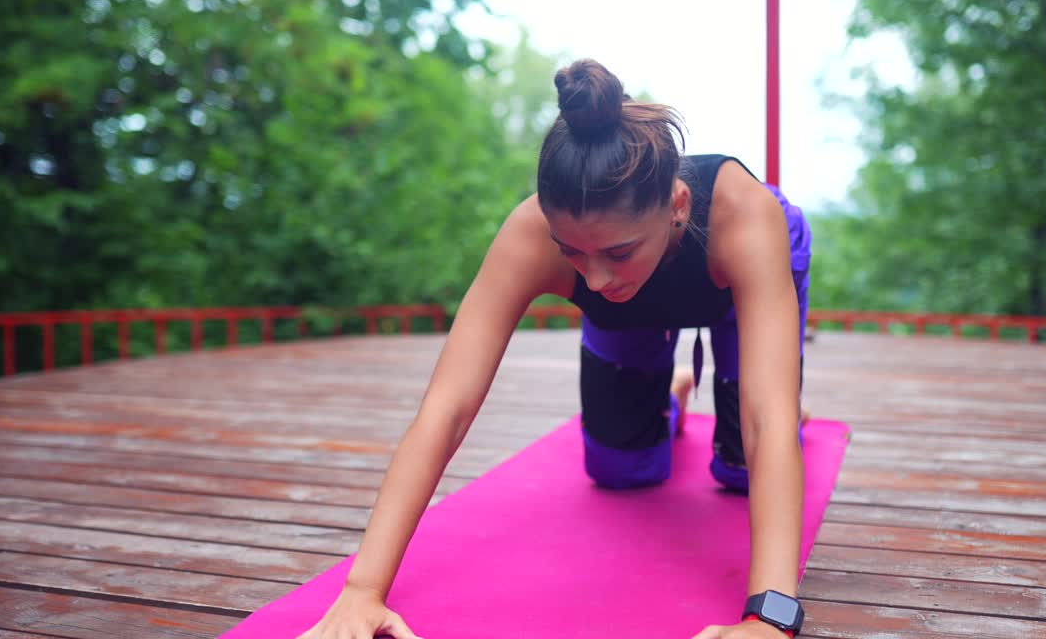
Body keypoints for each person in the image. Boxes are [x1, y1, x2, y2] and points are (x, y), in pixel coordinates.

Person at [297, 59, 813, 639]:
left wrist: (768, 618)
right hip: (638, 306)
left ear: (677, 207)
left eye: (615, 252)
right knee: (621, 469)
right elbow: (447, 407)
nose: (593, 281)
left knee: (745, 461)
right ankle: (670, 391)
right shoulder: (534, 234)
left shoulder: (747, 218)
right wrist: (362, 591)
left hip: (730, 289)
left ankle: (768, 383)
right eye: (571, 252)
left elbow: (764, 423)